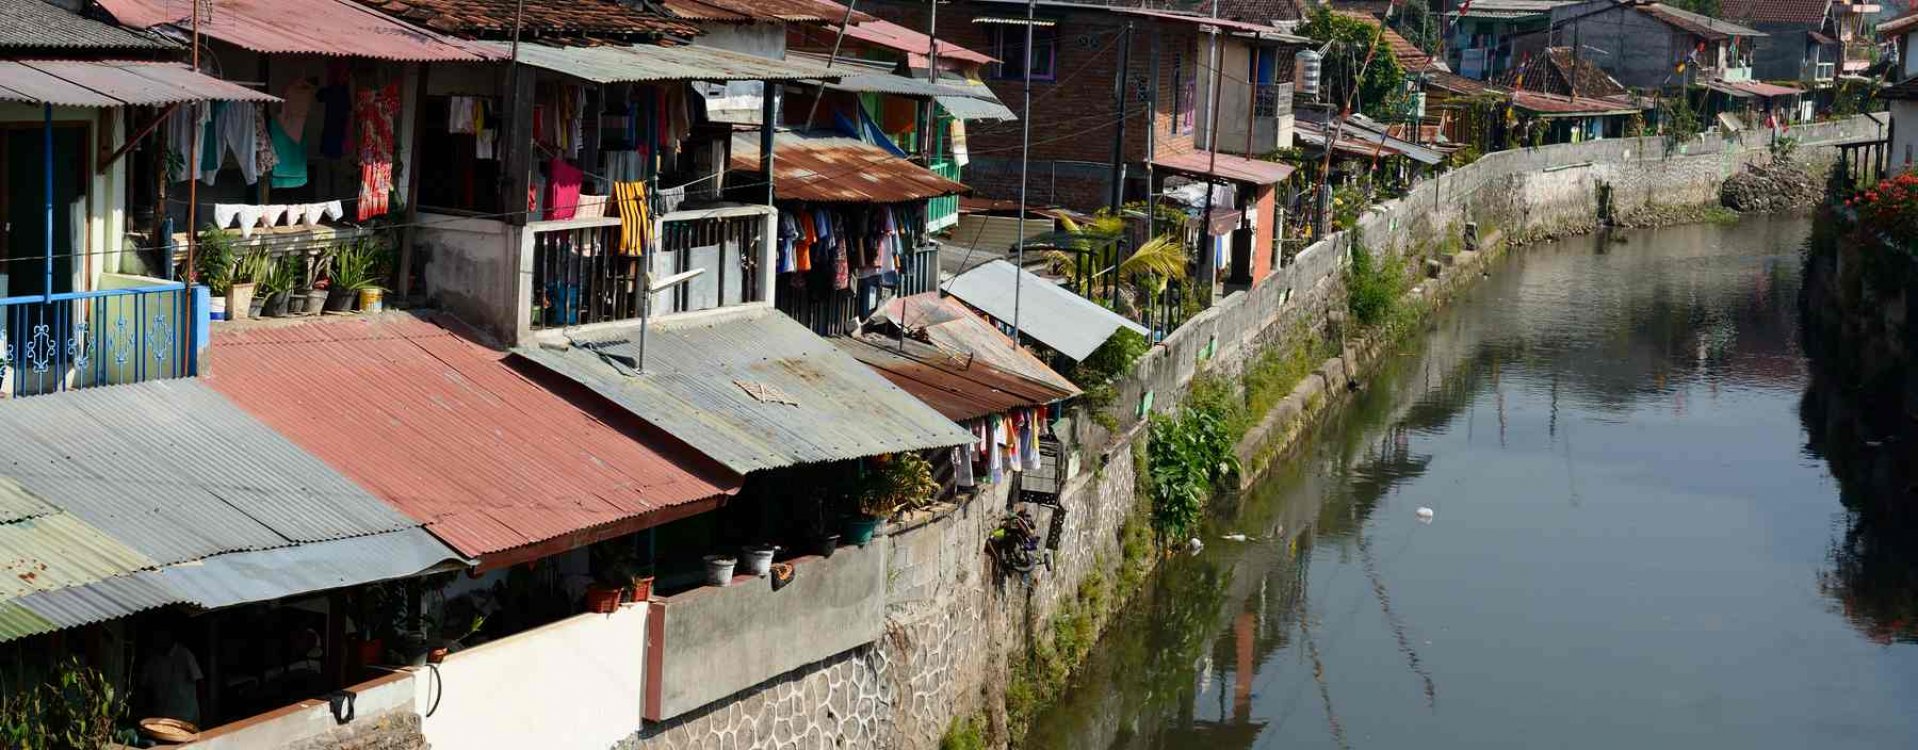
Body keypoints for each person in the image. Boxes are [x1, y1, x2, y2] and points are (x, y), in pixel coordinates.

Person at [138, 626, 206, 726]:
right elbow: (144, 688)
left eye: (161, 636)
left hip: (186, 716)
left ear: (169, 637)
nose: (158, 640)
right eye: (156, 637)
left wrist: (203, 710)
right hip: (162, 717)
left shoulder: (184, 655)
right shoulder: (152, 660)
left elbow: (199, 681)